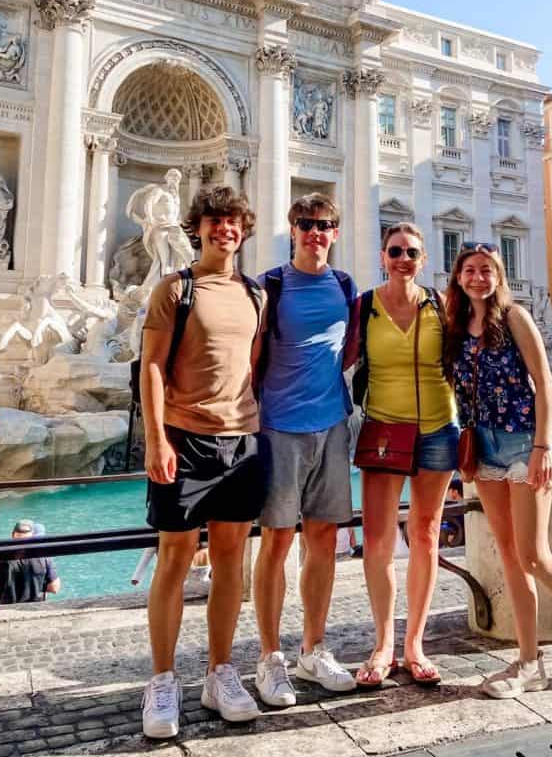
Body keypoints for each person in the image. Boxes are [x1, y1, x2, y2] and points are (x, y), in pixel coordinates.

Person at [446, 242, 552, 697]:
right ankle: (529, 663)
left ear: (499, 276)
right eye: (470, 270)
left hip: (521, 444)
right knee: (511, 556)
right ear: (459, 277)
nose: (478, 277)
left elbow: (544, 384)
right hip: (484, 448)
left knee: (534, 555)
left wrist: (542, 447)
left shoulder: (515, 317)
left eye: (486, 269)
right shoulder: (457, 326)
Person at [139, 186, 268, 739]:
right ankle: (163, 679)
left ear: (244, 229)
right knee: (174, 557)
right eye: (215, 220)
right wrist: (156, 440)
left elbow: (251, 365)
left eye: (233, 220)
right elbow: (151, 366)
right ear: (198, 228)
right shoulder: (174, 289)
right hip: (185, 437)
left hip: (242, 441)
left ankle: (220, 672)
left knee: (231, 562)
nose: (225, 229)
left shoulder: (256, 294)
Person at [253, 193, 357, 707]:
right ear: (292, 229)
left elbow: (348, 349)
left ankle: (313, 649)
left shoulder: (344, 285)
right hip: (279, 427)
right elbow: (252, 351)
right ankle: (269, 657)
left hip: (332, 425)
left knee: (323, 539)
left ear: (335, 232)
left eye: (325, 225)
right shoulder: (270, 285)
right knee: (276, 541)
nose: (316, 232)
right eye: (307, 224)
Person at [351, 222, 457, 688]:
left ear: (423, 259)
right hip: (383, 429)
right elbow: (334, 357)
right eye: (395, 251)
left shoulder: (441, 305)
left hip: (438, 427)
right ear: (383, 257)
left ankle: (415, 643)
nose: (403, 259)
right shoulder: (364, 307)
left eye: (412, 252)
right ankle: (382, 644)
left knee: (426, 535)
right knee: (377, 540)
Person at [0, 520, 61, 605]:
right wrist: (37, 585)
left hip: (7, 610)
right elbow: (55, 588)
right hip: (36, 608)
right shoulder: (44, 558)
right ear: (33, 536)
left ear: (12, 535)